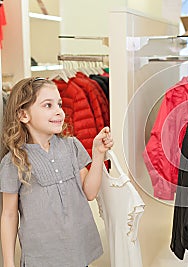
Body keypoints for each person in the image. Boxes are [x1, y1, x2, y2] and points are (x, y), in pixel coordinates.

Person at [0, 77, 113, 267]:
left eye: (59, 104)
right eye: (48, 105)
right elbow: (9, 215)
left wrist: (98, 153)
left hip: (78, 250)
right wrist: (9, 263)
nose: (59, 111)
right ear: (23, 115)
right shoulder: (14, 161)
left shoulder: (72, 146)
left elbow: (90, 192)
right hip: (42, 258)